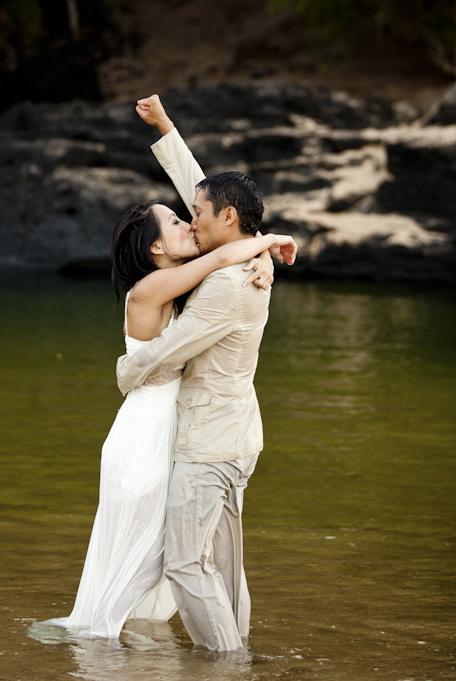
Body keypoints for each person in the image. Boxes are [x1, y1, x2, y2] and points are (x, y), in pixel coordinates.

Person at [38, 178, 297, 639]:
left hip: (177, 431)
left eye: (191, 214)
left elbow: (223, 228)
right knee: (150, 552)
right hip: (145, 433)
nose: (189, 222)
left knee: (173, 553)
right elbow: (220, 246)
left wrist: (261, 253)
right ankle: (107, 636)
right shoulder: (152, 288)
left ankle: (135, 639)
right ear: (157, 244)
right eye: (178, 220)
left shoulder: (186, 274)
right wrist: (267, 243)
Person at [116, 94, 295, 651]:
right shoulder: (243, 251)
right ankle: (234, 651)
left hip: (210, 444)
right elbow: (206, 195)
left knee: (188, 565)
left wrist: (126, 370)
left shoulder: (228, 282)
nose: (191, 221)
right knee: (223, 565)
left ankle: (227, 662)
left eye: (197, 215)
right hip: (235, 435)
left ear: (229, 220)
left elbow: (170, 349)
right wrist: (166, 127)